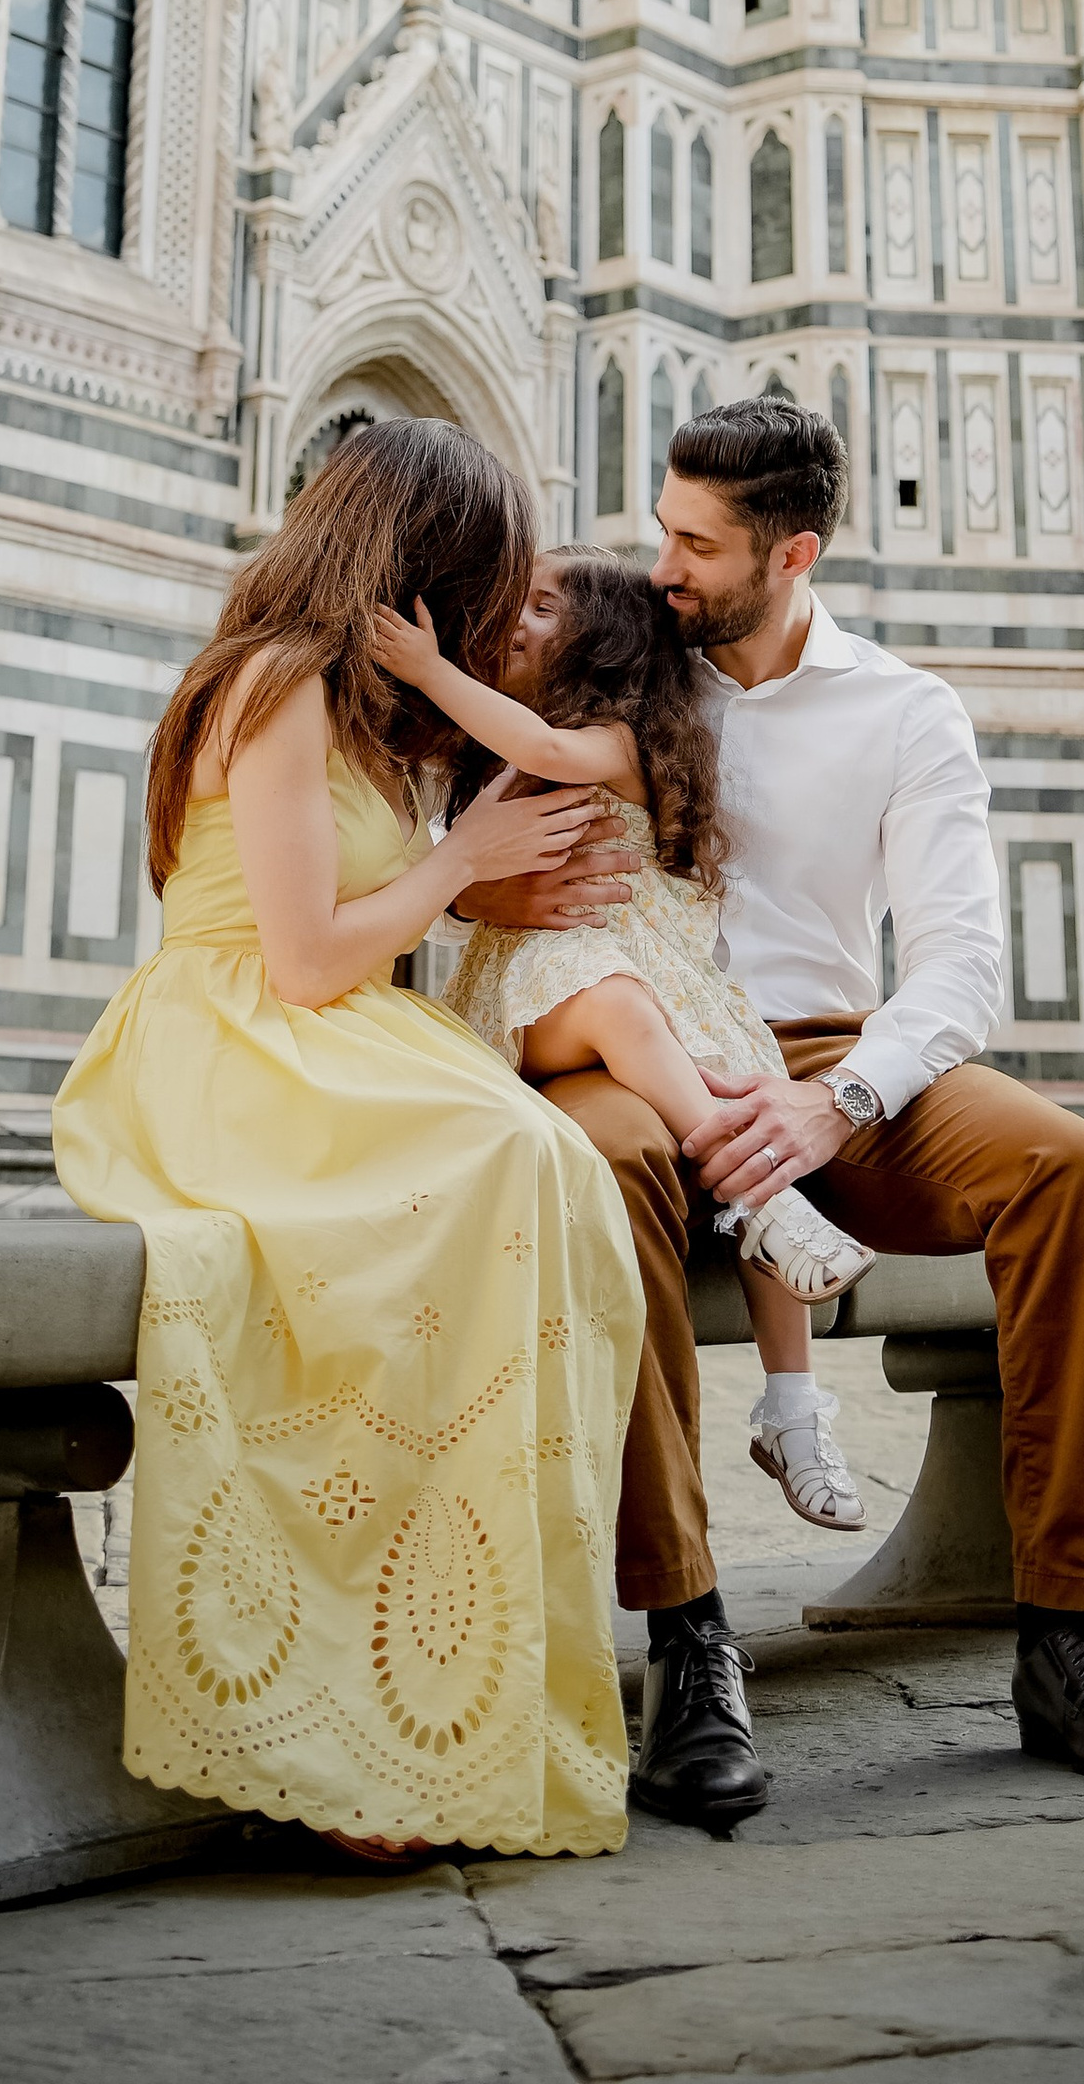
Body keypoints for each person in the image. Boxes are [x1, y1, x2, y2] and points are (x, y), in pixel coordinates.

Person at [456, 397, 1084, 1831]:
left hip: (823, 1054)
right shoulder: (611, 668)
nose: (664, 565)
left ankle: (1067, 1633)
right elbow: (465, 848)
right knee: (604, 1166)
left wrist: (835, 1101)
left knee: (1059, 1166)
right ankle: (687, 1640)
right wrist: (493, 892)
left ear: (790, 555)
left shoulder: (904, 713)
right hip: (616, 1037)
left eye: (696, 544)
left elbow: (965, 965)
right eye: (664, 527)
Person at [53, 420, 644, 1861]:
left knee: (552, 1174)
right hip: (231, 1045)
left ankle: (438, 1687)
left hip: (328, 1036)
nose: (501, 611)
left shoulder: (368, 719)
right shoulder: (270, 685)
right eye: (485, 574)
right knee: (504, 1169)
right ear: (423, 560)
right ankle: (340, 1718)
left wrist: (495, 888)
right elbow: (307, 958)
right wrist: (459, 867)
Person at [374, 547, 875, 1535]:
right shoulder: (498, 761)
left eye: (544, 605)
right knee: (616, 1003)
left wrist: (438, 671)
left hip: (663, 992)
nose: (517, 619)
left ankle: (791, 1404)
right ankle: (760, 1201)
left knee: (748, 1094)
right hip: (547, 994)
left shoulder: (617, 741)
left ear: (603, 645)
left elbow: (551, 754)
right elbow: (427, 879)